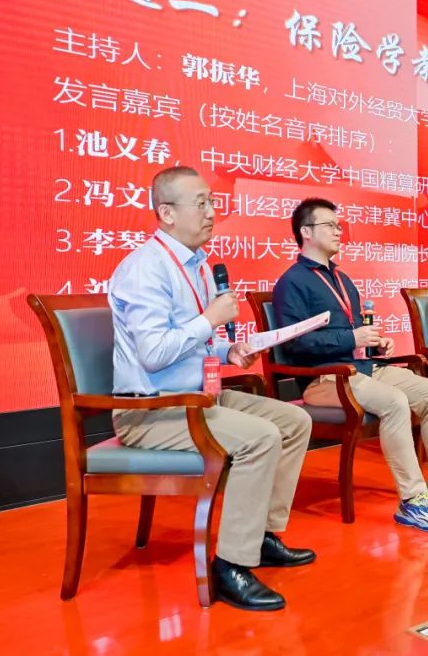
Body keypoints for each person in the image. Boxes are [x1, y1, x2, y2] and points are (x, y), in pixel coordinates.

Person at [109, 166, 315, 612]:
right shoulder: (145, 269)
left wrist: (228, 351)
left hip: (199, 398)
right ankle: (230, 566)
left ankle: (260, 536)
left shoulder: (197, 265)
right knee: (261, 437)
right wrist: (210, 320)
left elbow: (194, 344)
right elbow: (153, 354)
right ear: (166, 213)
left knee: (294, 420)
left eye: (212, 202)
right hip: (152, 410)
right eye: (200, 203)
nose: (211, 212)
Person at [273, 198, 428, 533]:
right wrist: (351, 339)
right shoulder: (291, 283)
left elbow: (352, 332)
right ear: (306, 232)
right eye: (330, 225)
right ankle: (413, 500)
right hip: (325, 379)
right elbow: (294, 343)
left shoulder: (342, 280)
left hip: (362, 369)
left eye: (339, 225)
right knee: (395, 402)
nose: (338, 231)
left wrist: (375, 342)